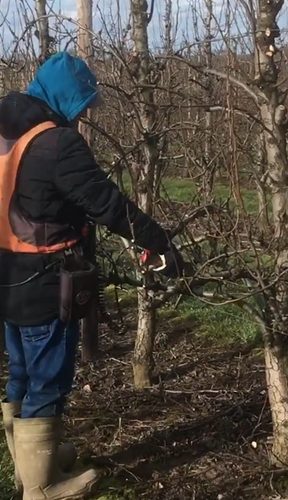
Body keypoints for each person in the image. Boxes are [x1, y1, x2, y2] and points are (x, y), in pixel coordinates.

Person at [0, 52, 183, 499]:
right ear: (65, 97)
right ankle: (42, 487)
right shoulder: (57, 144)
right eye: (83, 102)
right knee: (48, 376)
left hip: (6, 273)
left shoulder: (7, 129)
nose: (85, 112)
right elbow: (106, 203)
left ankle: (32, 461)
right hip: (43, 280)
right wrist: (157, 242)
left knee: (21, 370)